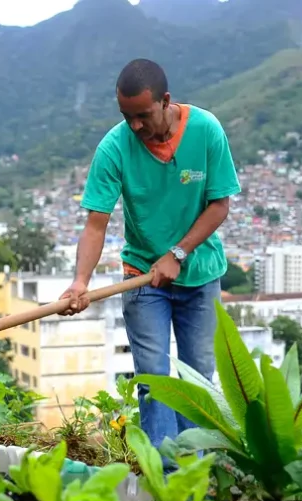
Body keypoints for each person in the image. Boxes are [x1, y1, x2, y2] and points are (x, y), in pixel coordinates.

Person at [59, 58, 241, 459]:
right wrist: (80, 282)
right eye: (127, 117)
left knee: (197, 380)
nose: (135, 126)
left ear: (166, 102)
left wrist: (178, 253)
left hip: (200, 276)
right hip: (142, 277)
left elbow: (219, 205)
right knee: (153, 379)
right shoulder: (114, 146)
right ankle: (163, 473)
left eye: (142, 116)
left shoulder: (206, 131)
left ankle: (195, 467)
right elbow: (95, 223)